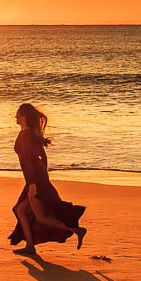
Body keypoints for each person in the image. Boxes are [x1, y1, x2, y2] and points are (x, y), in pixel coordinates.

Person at [9, 102, 86, 256]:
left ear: (23, 116)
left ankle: (75, 230)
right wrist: (43, 175)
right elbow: (42, 157)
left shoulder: (25, 135)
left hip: (34, 179)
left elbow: (27, 162)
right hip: (38, 176)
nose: (15, 116)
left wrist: (32, 184)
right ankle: (30, 246)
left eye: (17, 113)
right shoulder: (32, 133)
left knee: (40, 216)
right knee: (20, 210)